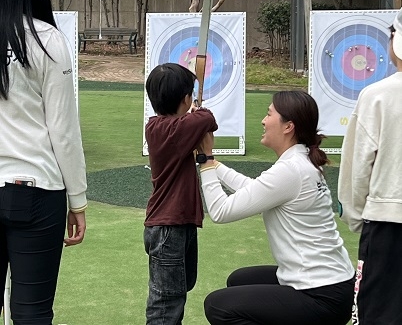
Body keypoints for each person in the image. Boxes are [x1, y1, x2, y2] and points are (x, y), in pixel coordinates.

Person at [197, 90, 355, 325]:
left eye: (269, 114)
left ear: (288, 126)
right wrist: (213, 163)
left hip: (322, 296)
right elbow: (256, 191)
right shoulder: (299, 162)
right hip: (334, 285)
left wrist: (206, 161)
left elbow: (220, 211)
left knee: (218, 306)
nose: (263, 120)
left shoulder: (291, 170)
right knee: (239, 280)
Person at [0, 0, 87, 324]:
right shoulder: (47, 40)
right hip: (36, 191)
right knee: (32, 314)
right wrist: (78, 200)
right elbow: (63, 132)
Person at [338, 9, 402, 325]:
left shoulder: (377, 95)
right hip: (384, 217)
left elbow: (355, 171)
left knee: (379, 313)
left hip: (387, 225)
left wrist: (356, 217)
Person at [144, 62, 218, 324]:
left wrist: (190, 112)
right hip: (168, 226)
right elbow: (208, 119)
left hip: (175, 223)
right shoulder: (169, 129)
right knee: (166, 302)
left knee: (177, 292)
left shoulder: (162, 127)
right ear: (186, 99)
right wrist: (197, 112)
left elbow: (198, 123)